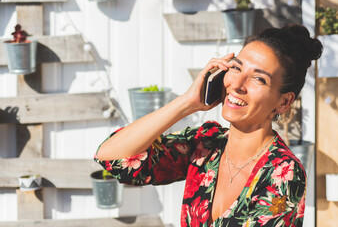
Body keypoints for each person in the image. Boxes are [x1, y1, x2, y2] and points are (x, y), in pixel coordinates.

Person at [94, 24, 323, 226]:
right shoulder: (206, 144)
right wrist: (187, 102)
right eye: (236, 67)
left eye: (258, 78)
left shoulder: (283, 173)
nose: (238, 84)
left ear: (284, 102)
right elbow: (112, 157)